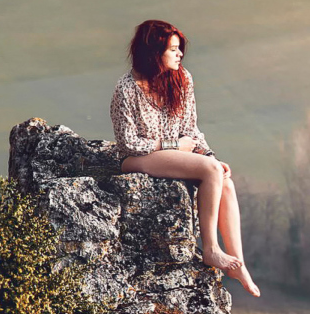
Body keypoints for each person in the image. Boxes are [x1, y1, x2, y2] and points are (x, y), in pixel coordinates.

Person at [111, 19, 260, 297]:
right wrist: (173, 145)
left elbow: (191, 130)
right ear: (154, 53)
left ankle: (238, 263)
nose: (180, 55)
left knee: (224, 180)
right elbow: (128, 143)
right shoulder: (126, 89)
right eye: (173, 49)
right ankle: (211, 249)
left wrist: (209, 156)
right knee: (211, 171)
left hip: (173, 154)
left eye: (180, 49)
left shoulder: (183, 79)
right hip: (136, 159)